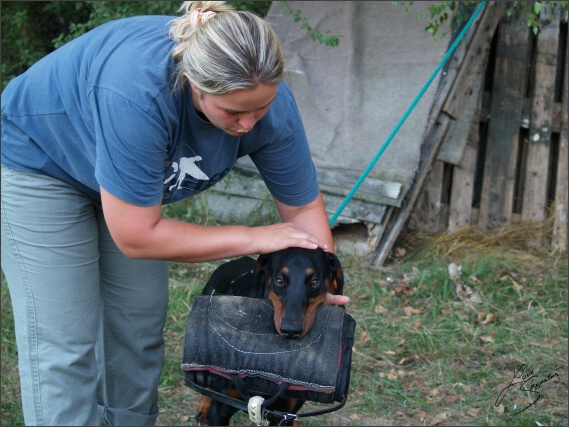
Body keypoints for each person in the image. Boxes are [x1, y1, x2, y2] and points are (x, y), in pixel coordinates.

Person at [1, 1, 349, 425]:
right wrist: (256, 237)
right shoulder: (139, 93)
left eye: (260, 109)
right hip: (41, 163)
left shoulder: (271, 105)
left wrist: (320, 287)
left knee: (138, 327)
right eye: (234, 112)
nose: (249, 125)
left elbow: (301, 207)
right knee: (67, 341)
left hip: (130, 191)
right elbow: (136, 236)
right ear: (194, 85)